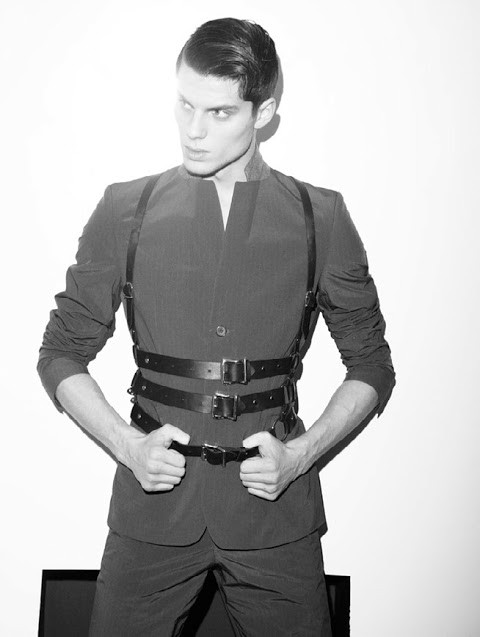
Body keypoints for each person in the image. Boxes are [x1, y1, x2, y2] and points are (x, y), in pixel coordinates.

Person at [38, 17, 395, 637]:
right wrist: (127, 446)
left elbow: (372, 364)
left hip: (274, 515)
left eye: (220, 112)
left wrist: (301, 456)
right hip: (152, 513)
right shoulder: (125, 209)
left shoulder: (321, 217)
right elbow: (60, 352)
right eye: (185, 104)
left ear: (264, 113)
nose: (194, 130)